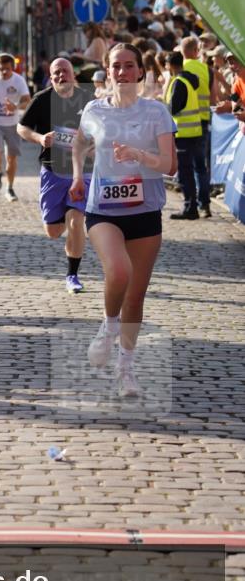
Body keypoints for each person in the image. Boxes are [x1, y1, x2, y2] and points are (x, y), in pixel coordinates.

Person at [69, 43, 177, 397]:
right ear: (107, 70)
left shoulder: (156, 112)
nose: (122, 72)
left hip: (145, 211)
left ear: (140, 72)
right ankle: (108, 324)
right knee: (118, 272)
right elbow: (79, 144)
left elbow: (170, 165)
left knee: (136, 297)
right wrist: (76, 176)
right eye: (116, 66)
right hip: (104, 210)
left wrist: (138, 154)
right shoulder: (93, 109)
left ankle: (126, 370)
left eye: (129, 66)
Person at [19, 57, 92, 293]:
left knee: (76, 220)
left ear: (74, 75)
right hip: (52, 170)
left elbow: (103, 132)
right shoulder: (42, 99)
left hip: (81, 170)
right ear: (51, 78)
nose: (62, 76)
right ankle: (64, 227)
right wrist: (40, 139)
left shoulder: (88, 101)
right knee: (53, 231)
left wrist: (91, 146)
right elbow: (22, 128)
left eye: (65, 72)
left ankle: (72, 274)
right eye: (56, 73)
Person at [163, 52, 206, 221]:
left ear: (171, 65)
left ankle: (190, 207)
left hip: (183, 134)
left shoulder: (179, 82)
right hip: (193, 132)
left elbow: (172, 108)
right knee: (193, 170)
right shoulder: (189, 80)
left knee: (185, 173)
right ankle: (192, 205)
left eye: (166, 66)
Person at [0, 53, 31, 202]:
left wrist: (16, 106)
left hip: (12, 124)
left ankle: (10, 188)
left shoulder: (19, 80)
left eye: (8, 69)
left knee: (11, 158)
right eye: (2, 68)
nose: (4, 72)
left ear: (13, 68)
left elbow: (27, 100)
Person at [181, 35, 212, 217]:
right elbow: (214, 96)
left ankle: (190, 204)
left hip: (185, 125)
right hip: (203, 120)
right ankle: (205, 204)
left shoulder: (179, 69)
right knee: (201, 166)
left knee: (186, 167)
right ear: (196, 51)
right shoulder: (206, 69)